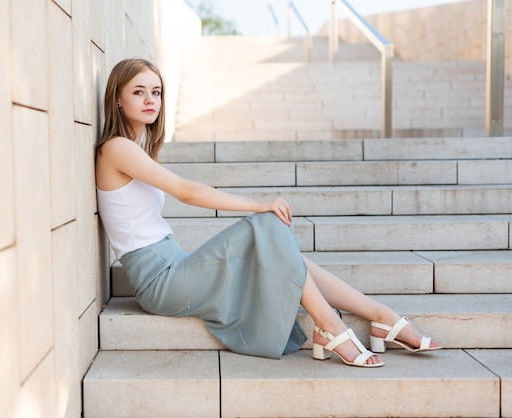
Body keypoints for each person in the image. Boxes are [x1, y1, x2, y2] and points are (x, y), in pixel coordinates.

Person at [95, 58, 441, 367]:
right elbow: (187, 192)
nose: (150, 100)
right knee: (266, 224)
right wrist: (259, 203)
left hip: (172, 263)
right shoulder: (117, 148)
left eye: (156, 92)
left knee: (283, 251)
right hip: (160, 279)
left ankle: (379, 315)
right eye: (138, 92)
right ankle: (331, 325)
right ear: (117, 98)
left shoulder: (135, 149)